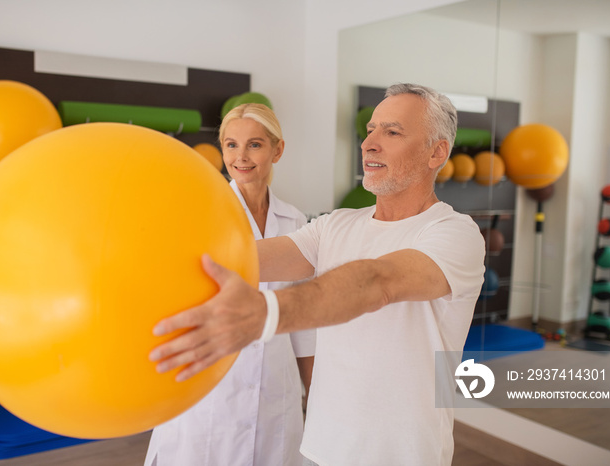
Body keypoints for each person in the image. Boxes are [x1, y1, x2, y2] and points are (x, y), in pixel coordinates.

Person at [149, 84, 486, 465]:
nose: (369, 144)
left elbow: (378, 283)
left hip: (401, 454)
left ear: (437, 152)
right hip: (320, 449)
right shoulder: (335, 225)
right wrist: (148, 258)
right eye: (370, 130)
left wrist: (265, 313)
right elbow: (243, 258)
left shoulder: (454, 233)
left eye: (391, 132)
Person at [144, 103, 316, 466]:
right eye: (231, 145)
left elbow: (303, 320)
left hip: (276, 386)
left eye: (254, 145)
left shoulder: (296, 220)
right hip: (212, 378)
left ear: (277, 150)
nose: (241, 157)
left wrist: (313, 394)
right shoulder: (199, 212)